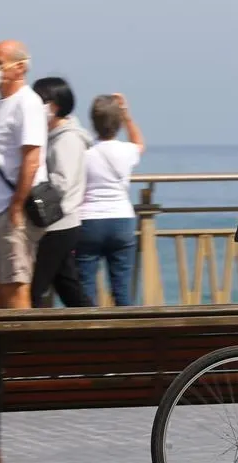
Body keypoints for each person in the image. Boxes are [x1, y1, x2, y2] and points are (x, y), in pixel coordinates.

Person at [0, 40, 48, 309]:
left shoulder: (27, 103)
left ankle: (26, 347)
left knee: (15, 291)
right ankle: (15, 337)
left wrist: (17, 205)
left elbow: (32, 158)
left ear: (20, 68)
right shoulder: (4, 103)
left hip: (14, 209)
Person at [30, 77, 94, 308]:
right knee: (69, 290)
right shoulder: (55, 137)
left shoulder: (67, 139)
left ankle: (30, 340)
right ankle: (100, 334)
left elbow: (62, 183)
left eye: (38, 102)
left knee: (32, 290)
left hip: (59, 224)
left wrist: (32, 191)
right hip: (62, 224)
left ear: (53, 106)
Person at [75, 93, 144, 306]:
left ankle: (89, 334)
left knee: (85, 287)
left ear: (93, 122)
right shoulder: (126, 151)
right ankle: (126, 335)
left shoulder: (84, 152)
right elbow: (139, 143)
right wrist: (127, 115)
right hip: (121, 220)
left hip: (89, 221)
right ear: (118, 123)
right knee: (121, 288)